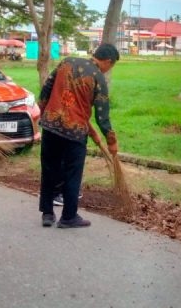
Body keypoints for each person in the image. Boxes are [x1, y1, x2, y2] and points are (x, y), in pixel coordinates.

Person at [37, 43, 120, 228]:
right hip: (74, 132)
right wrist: (111, 140)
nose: (108, 70)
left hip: (51, 126)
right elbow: (102, 115)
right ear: (107, 61)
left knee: (49, 169)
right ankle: (68, 217)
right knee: (72, 173)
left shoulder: (66, 62)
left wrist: (44, 113)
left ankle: (47, 214)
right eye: (111, 66)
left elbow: (46, 90)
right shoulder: (98, 77)